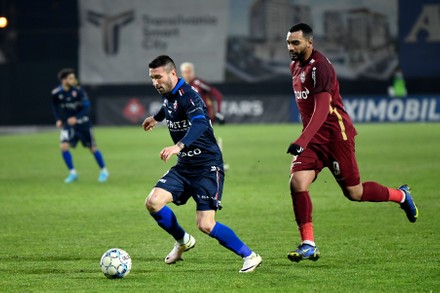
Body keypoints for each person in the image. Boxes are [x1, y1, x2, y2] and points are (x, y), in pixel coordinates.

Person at [285, 23, 418, 262]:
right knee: (297, 182)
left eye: (296, 42)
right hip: (314, 140)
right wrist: (307, 138)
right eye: (288, 42)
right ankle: (308, 244)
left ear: (309, 42)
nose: (290, 47)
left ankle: (401, 196)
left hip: (337, 137)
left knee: (354, 193)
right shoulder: (295, 66)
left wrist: (301, 139)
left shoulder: (321, 67)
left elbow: (324, 109)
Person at [142, 55, 261, 273]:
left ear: (172, 74)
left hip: (207, 166)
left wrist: (179, 146)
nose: (155, 82)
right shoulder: (169, 93)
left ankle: (250, 256)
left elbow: (199, 124)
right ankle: (183, 241)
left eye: (158, 77)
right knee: (153, 202)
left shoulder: (190, 96)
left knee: (205, 224)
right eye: (152, 78)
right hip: (185, 165)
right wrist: (155, 118)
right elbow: (169, 106)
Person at [51, 68, 109, 183]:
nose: (73, 80)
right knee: (63, 146)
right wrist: (58, 119)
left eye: (74, 78)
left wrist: (76, 118)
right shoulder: (56, 93)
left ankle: (104, 171)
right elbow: (55, 107)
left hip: (83, 124)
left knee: (92, 148)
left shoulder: (79, 91)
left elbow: (87, 107)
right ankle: (72, 173)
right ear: (63, 80)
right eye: (70, 78)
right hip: (68, 125)